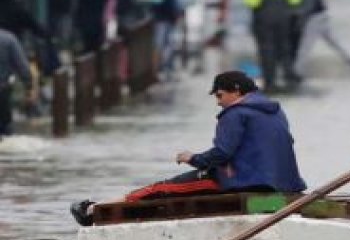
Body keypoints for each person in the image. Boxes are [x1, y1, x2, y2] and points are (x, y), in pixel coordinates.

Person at [70, 70, 307, 226]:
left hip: (242, 181)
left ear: (236, 91)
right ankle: (97, 206)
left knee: (161, 189)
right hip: (282, 183)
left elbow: (222, 153)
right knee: (169, 187)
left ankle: (93, 210)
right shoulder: (275, 111)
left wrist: (192, 157)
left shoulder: (235, 114)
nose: (218, 102)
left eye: (220, 95)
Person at [241, 0, 303, 92]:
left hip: (264, 19)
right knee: (284, 48)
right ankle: (289, 77)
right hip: (283, 18)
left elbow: (250, 0)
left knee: (266, 50)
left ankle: (270, 82)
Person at [0, 27, 37, 138]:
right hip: (2, 91)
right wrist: (29, 88)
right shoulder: (8, 39)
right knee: (5, 129)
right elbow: (23, 67)